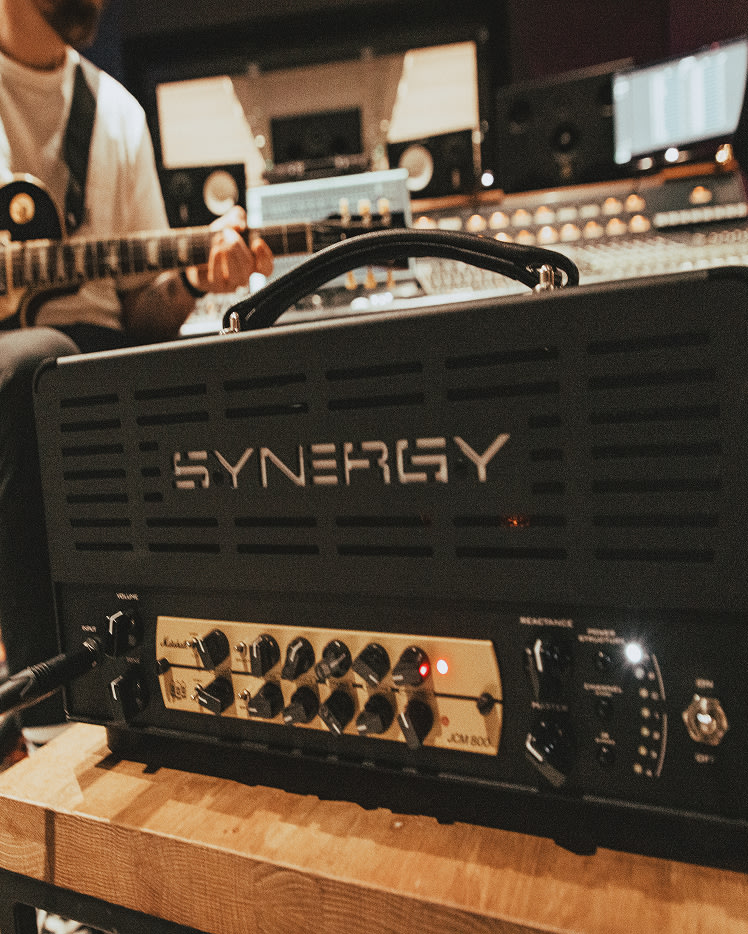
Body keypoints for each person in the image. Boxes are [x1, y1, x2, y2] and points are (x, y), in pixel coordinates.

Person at [0, 0, 274, 749]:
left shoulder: (115, 113)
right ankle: (43, 710)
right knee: (25, 369)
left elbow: (143, 316)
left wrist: (192, 279)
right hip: (20, 362)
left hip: (86, 353)